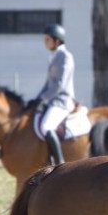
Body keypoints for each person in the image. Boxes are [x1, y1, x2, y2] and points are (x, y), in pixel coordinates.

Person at [36, 23, 76, 165]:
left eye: (47, 39)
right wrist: (37, 99)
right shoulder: (53, 56)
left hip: (62, 100)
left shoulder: (65, 56)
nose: (45, 42)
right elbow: (48, 84)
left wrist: (44, 99)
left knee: (46, 126)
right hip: (52, 100)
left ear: (57, 40)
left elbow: (60, 84)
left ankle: (60, 162)